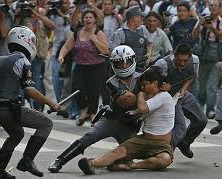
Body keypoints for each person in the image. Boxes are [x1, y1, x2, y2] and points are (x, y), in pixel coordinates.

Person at [48, 45, 142, 173]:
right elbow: (125, 100)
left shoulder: (143, 77)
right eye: (119, 63)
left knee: (129, 157)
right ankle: (60, 160)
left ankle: (95, 162)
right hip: (112, 120)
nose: (124, 66)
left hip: (130, 125)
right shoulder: (111, 82)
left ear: (133, 61)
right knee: (89, 136)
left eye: (127, 62)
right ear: (114, 64)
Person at [78, 66, 175, 175]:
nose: (142, 88)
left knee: (164, 159)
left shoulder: (164, 96)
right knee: (119, 151)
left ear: (155, 83)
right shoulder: (150, 96)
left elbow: (142, 108)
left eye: (145, 84)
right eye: (141, 85)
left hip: (161, 145)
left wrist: (140, 95)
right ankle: (91, 163)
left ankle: (130, 165)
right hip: (144, 140)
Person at [0, 26, 60, 179]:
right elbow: (30, 90)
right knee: (46, 123)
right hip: (7, 108)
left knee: (16, 134)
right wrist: (51, 103)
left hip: (5, 108)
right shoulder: (22, 60)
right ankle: (27, 160)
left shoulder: (2, 58)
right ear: (27, 41)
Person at [153, 43, 207, 158]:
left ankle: (185, 143)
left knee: (201, 120)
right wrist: (162, 87)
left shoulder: (195, 60)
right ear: (174, 55)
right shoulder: (162, 64)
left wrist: (184, 88)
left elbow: (192, 76)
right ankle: (166, 152)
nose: (182, 64)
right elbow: (149, 82)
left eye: (185, 61)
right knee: (179, 128)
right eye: (179, 60)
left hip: (182, 94)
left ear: (190, 57)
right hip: (168, 98)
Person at [109, 5, 153, 72]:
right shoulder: (120, 33)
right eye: (140, 17)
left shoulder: (143, 29)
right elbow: (111, 50)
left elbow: (149, 43)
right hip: (126, 68)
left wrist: (149, 53)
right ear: (134, 18)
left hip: (141, 66)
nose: (142, 19)